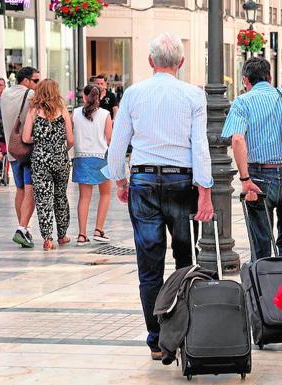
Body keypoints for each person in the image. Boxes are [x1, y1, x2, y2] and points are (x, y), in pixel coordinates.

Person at [105, 33, 215, 360]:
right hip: (182, 183)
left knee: (149, 264)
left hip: (143, 181)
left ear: (151, 62)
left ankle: (156, 339)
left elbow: (118, 144)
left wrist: (120, 181)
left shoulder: (134, 94)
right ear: (180, 63)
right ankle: (182, 332)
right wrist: (205, 192)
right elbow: (200, 146)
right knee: (185, 259)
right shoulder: (194, 95)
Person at [222, 57, 282, 258]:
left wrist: (244, 179)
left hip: (259, 176)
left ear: (245, 80)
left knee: (261, 240)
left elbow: (238, 140)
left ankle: (264, 285)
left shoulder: (243, 101)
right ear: (270, 76)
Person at [21, 79, 74, 251]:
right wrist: (60, 148)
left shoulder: (33, 111)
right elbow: (71, 140)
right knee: (60, 196)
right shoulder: (63, 110)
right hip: (60, 159)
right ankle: (62, 235)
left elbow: (25, 138)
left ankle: (47, 238)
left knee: (43, 199)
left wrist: (40, 142)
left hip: (40, 160)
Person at [0, 67, 40, 248]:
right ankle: (22, 228)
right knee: (30, 189)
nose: (38, 84)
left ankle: (23, 228)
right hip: (28, 149)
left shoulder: (5, 94)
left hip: (12, 150)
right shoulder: (31, 95)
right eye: (36, 80)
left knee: (20, 190)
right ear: (26, 81)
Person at [72, 84, 113, 245]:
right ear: (100, 97)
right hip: (101, 157)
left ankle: (82, 235)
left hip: (81, 157)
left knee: (84, 197)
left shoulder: (75, 113)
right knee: (105, 194)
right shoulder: (105, 114)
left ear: (84, 97)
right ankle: (98, 229)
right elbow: (109, 138)